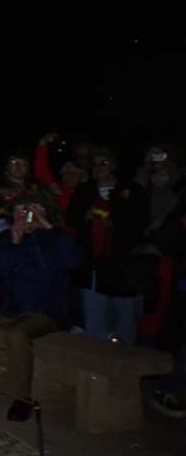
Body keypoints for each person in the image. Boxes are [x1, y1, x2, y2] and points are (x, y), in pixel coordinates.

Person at [0, 196, 83, 421]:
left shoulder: (57, 237)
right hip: (8, 307)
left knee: (17, 335)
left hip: (45, 310)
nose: (24, 216)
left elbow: (73, 262)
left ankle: (22, 398)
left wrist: (45, 227)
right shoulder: (6, 238)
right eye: (19, 211)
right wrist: (15, 241)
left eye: (29, 210)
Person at [66, 147, 150, 344]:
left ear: (114, 165)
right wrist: (85, 216)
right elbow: (71, 218)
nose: (99, 168)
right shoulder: (84, 189)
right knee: (94, 317)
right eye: (95, 164)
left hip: (122, 265)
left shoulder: (132, 190)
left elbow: (140, 223)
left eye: (103, 163)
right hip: (91, 264)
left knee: (125, 318)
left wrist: (115, 224)